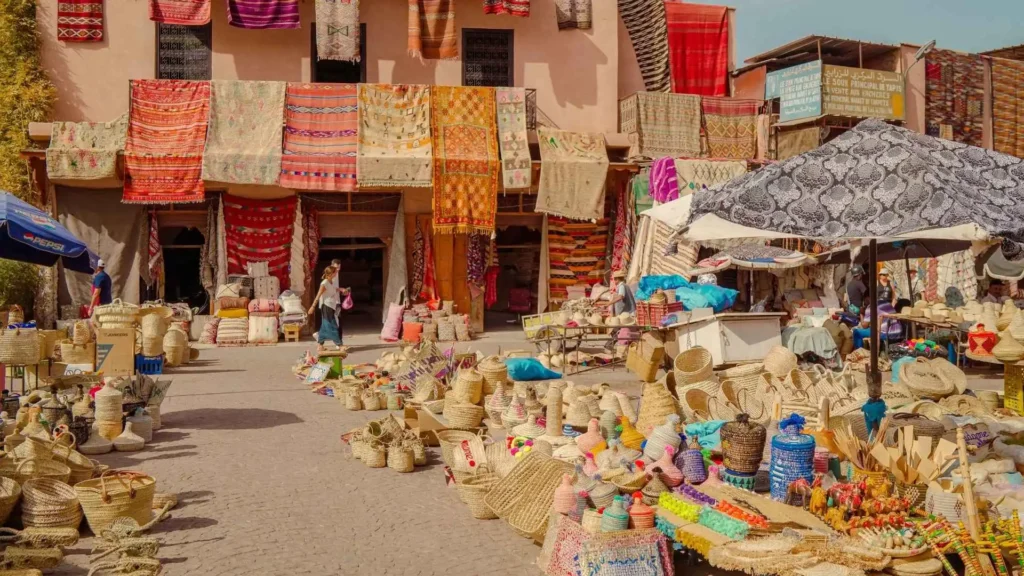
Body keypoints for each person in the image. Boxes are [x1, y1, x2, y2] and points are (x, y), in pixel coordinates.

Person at [307, 266, 348, 346]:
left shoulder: (330, 282)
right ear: (331, 274)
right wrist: (312, 307)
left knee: (324, 327)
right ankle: (339, 344)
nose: (336, 273)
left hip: (331, 307)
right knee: (332, 325)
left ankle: (320, 346)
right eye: (335, 272)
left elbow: (333, 289)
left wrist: (341, 289)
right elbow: (318, 295)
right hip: (326, 306)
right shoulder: (324, 283)